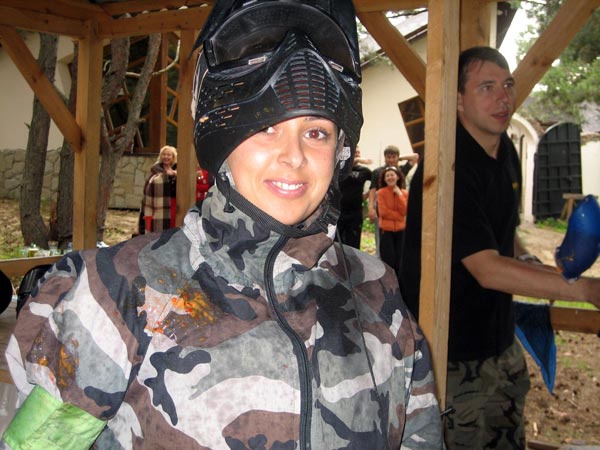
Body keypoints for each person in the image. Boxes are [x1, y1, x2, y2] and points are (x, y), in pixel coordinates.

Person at [2, 1, 443, 449]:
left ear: (341, 150)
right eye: (265, 126)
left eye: (316, 133)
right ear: (222, 137)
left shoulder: (377, 291)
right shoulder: (118, 290)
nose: (294, 156)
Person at [400, 46, 600, 450]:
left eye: (507, 85)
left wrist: (528, 259)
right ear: (458, 100)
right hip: (448, 353)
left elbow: (500, 233)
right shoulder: (448, 168)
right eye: (486, 87)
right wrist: (583, 289)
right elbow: (487, 268)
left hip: (499, 338)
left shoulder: (505, 151)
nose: (503, 97)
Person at [376, 166, 408, 277]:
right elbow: (383, 212)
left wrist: (399, 194)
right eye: (387, 176)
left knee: (400, 261)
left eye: (392, 175)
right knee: (388, 261)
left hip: (401, 231)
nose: (390, 177)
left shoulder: (404, 193)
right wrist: (399, 216)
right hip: (386, 231)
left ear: (398, 177)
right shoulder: (381, 193)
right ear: (384, 179)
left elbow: (405, 211)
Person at [338, 146, 372, 249]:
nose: (357, 155)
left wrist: (366, 195)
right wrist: (356, 160)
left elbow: (375, 184)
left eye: (358, 153)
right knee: (338, 242)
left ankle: (353, 259)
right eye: (354, 153)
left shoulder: (364, 171)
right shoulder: (340, 169)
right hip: (339, 212)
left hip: (355, 212)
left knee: (353, 241)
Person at [141, 145, 178, 233]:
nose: (166, 157)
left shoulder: (178, 170)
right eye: (164, 154)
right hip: (159, 205)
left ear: (173, 157)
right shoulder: (155, 170)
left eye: (168, 155)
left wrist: (174, 174)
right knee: (159, 229)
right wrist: (165, 175)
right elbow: (148, 189)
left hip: (174, 205)